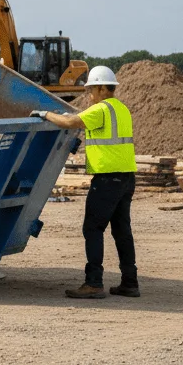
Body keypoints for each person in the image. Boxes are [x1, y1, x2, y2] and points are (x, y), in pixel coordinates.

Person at [31, 65, 139, 299]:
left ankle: (94, 283)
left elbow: (70, 123)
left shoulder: (100, 109)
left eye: (91, 89)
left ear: (101, 88)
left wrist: (44, 115)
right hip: (127, 178)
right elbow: (90, 126)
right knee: (122, 231)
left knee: (92, 228)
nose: (89, 94)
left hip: (107, 179)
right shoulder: (121, 109)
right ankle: (130, 283)